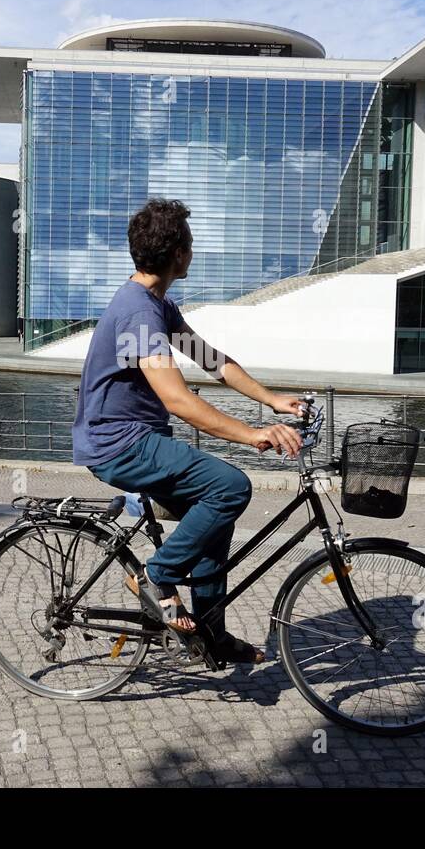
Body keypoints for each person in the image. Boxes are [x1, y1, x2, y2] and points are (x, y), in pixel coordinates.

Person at [71, 198, 304, 665]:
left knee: (212, 517)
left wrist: (272, 399)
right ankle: (156, 576)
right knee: (230, 485)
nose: (193, 252)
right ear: (178, 253)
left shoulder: (157, 303)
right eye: (191, 244)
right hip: (118, 445)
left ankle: (210, 637)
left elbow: (211, 359)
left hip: (136, 438)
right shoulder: (138, 314)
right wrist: (253, 434)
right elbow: (179, 401)